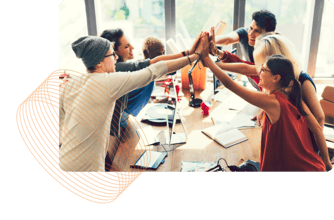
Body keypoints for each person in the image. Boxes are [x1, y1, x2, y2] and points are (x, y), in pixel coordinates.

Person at [58, 34, 207, 172]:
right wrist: (195, 56)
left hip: (62, 165)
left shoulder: (69, 85)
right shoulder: (107, 82)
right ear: (99, 62)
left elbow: (59, 128)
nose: (116, 58)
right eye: (112, 54)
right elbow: (154, 70)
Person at [202, 46, 332, 171]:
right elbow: (317, 129)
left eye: (263, 70)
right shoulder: (294, 97)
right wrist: (326, 163)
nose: (259, 72)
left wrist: (207, 60)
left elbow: (230, 84)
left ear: (276, 78)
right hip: (314, 167)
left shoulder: (273, 102)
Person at [210, 32, 325, 130]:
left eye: (263, 66)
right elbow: (244, 68)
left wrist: (313, 146)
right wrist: (212, 62)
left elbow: (319, 118)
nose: (260, 70)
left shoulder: (303, 82)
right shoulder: (274, 71)